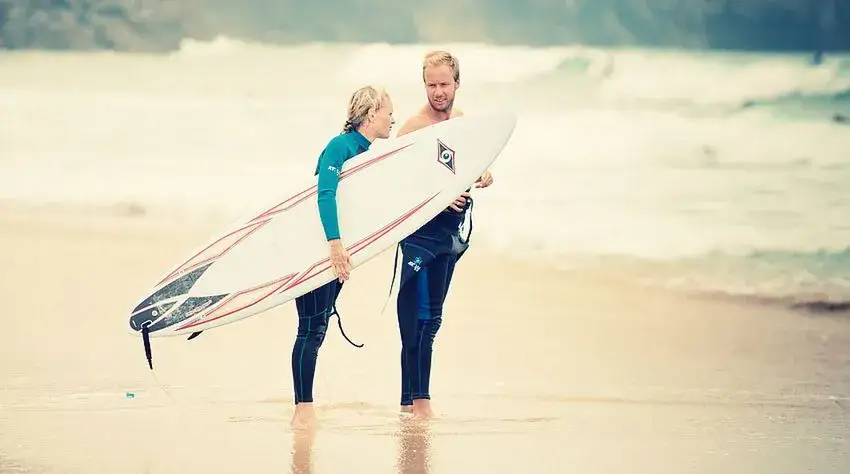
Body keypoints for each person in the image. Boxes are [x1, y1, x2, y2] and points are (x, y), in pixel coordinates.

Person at [393, 50, 494, 418]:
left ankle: (410, 402)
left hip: (450, 237)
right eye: (431, 85)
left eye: (444, 84)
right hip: (420, 236)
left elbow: (471, 165)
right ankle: (420, 401)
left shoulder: (462, 122)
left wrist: (482, 174)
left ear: (457, 84)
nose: (437, 91)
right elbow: (393, 184)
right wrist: (438, 198)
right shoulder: (413, 129)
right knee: (415, 320)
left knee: (433, 319)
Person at [291, 85, 395, 430]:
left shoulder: (367, 153)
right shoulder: (340, 148)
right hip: (314, 248)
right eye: (387, 112)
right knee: (309, 327)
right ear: (370, 114)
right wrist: (335, 245)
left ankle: (306, 405)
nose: (392, 118)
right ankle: (302, 409)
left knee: (318, 326)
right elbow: (324, 195)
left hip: (337, 252)